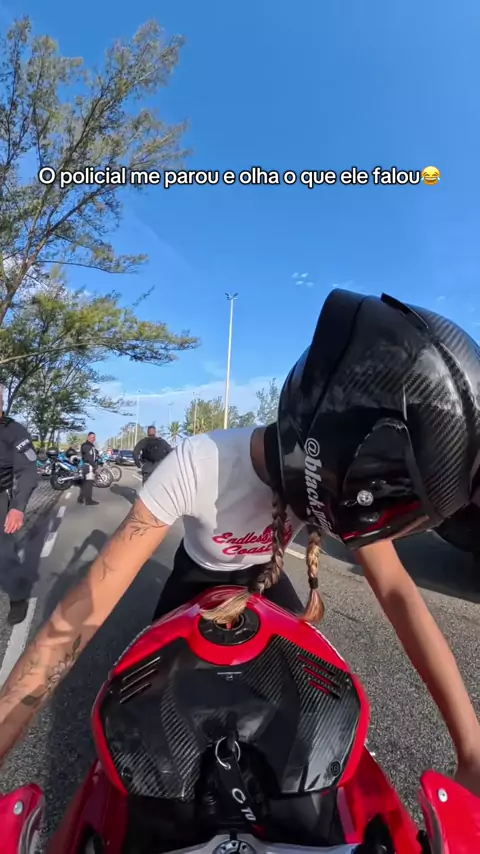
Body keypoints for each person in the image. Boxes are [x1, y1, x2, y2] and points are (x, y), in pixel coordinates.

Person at [0, 289, 479, 799]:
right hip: (195, 580)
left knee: (314, 708)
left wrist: (471, 747)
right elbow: (78, 618)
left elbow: (399, 593)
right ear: (334, 463)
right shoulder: (196, 462)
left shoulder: (328, 479)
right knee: (142, 718)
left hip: (262, 581)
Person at [0, 387, 38, 625]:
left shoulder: (14, 431)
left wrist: (18, 507)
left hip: (1, 497)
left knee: (3, 554)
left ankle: (18, 596)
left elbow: (28, 470)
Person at [77, 432, 98, 506]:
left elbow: (93, 455)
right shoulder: (87, 446)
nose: (93, 439)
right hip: (89, 466)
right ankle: (89, 501)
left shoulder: (90, 445)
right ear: (88, 437)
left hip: (88, 466)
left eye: (94, 437)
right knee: (89, 484)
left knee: (85, 483)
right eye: (92, 437)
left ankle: (80, 498)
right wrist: (94, 466)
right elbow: (89, 458)